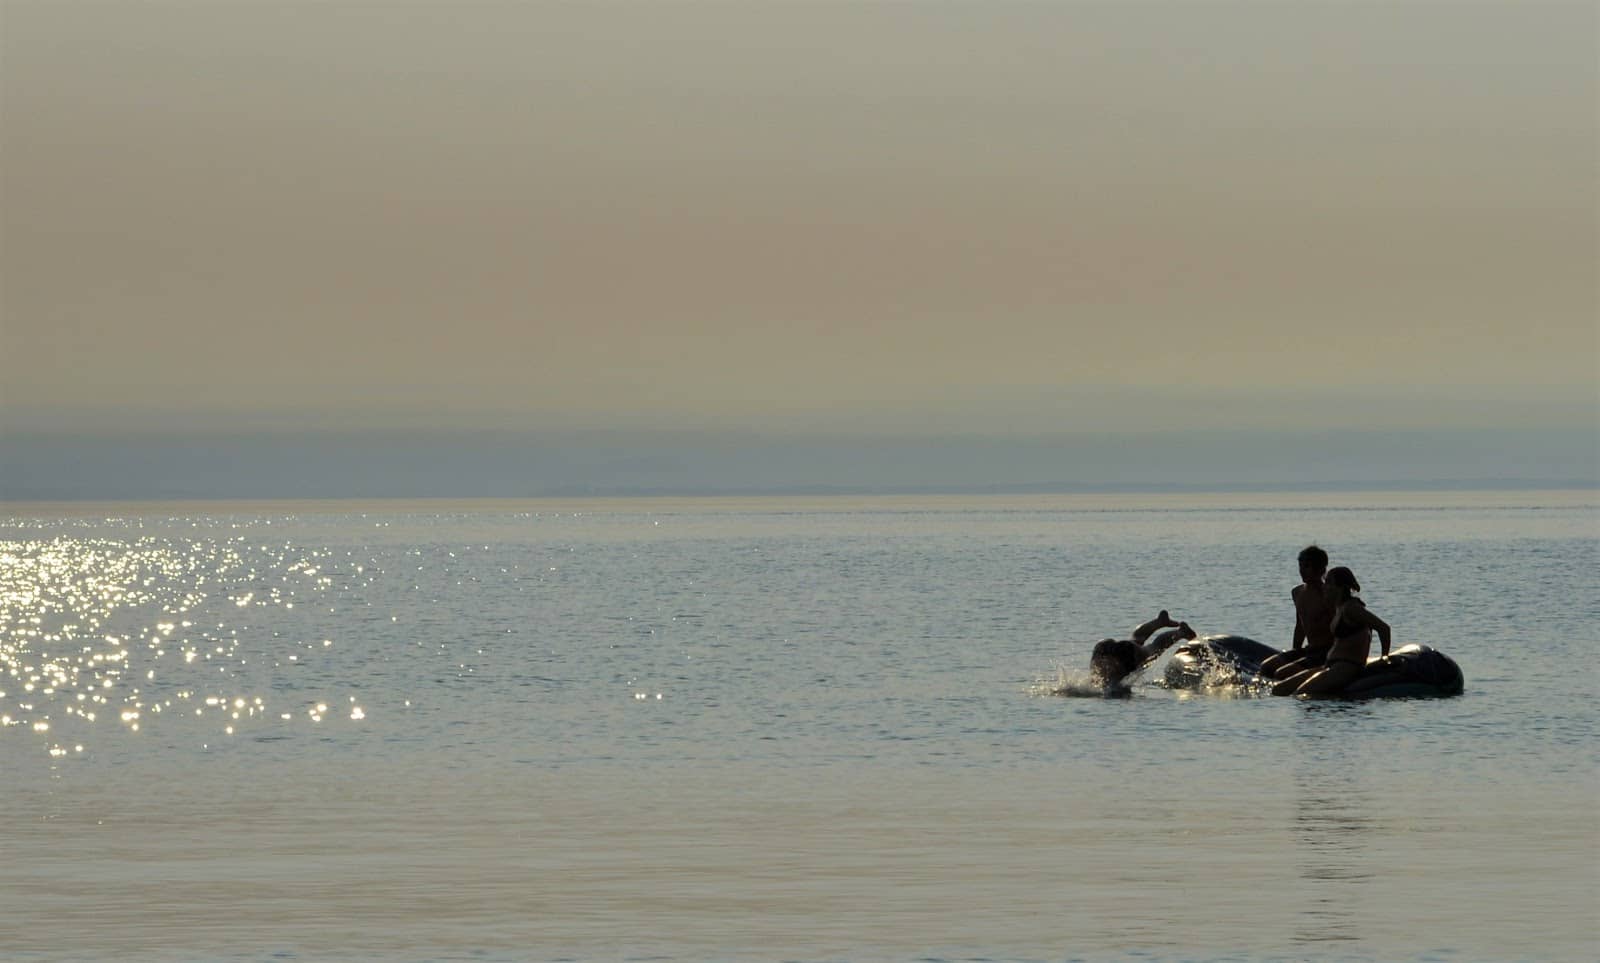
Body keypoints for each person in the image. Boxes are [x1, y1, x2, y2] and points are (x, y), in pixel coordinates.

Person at [1271, 566, 1392, 697]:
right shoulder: (1339, 607)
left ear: (1340, 587)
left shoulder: (1352, 608)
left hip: (1346, 667)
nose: (1324, 586)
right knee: (1279, 689)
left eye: (1329, 583)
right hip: (1330, 665)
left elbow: (1384, 628)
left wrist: (1384, 658)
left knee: (1302, 695)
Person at [1258, 545, 1335, 681]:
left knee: (1282, 674)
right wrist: (1296, 652)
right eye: (1301, 566)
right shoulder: (1297, 592)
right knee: (1266, 667)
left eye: (1307, 567)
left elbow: (1339, 626)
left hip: (1327, 652)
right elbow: (1300, 626)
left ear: (1320, 570)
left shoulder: (1328, 595)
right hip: (1309, 650)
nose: (1302, 571)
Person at [1089, 610, 1197, 689]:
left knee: (1153, 649)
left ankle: (1181, 632)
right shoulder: (1108, 676)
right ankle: (1160, 622)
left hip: (1104, 648)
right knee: (1136, 640)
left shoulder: (1107, 678)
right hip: (1112, 649)